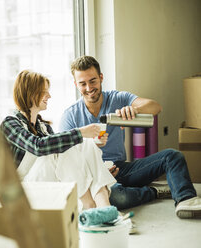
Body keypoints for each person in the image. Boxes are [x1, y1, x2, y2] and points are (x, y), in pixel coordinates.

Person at [59, 55, 201, 219]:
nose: (89, 88)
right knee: (117, 197)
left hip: (121, 169)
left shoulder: (116, 98)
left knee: (172, 156)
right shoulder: (70, 116)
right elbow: (66, 159)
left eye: (93, 81)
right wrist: (99, 174)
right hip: (94, 176)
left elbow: (155, 107)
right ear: (76, 84)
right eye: (83, 84)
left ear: (101, 77)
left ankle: (186, 200)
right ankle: (154, 191)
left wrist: (135, 110)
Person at [0, 70, 117, 210]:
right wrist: (80, 133)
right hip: (21, 189)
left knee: (85, 143)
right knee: (66, 145)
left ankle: (105, 208)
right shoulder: (10, 123)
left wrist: (93, 150)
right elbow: (38, 146)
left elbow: (66, 162)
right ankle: (89, 206)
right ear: (30, 93)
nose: (49, 96)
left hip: (47, 183)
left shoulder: (43, 127)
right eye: (44, 91)